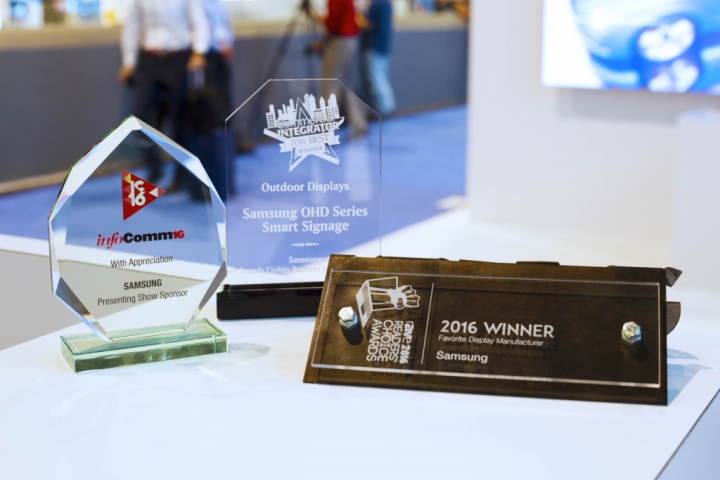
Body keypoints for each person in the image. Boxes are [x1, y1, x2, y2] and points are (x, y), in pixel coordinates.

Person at [119, 0, 210, 184]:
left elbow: (199, 22)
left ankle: (181, 175)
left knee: (179, 118)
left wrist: (199, 51)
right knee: (140, 116)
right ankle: (154, 168)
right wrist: (128, 61)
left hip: (179, 58)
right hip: (149, 60)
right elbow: (132, 25)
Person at [309, 0, 368, 137]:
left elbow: (333, 23)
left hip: (339, 41)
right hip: (350, 39)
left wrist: (322, 41)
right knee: (344, 84)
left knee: (329, 86)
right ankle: (359, 124)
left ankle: (327, 130)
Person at [362, 0, 396, 117]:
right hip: (384, 45)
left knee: (377, 79)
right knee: (382, 77)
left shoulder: (376, 4)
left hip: (375, 45)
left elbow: (369, 24)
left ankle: (384, 108)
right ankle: (388, 106)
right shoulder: (387, 4)